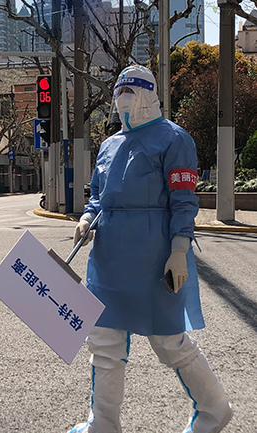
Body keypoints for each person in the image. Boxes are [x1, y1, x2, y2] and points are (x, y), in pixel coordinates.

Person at [68, 65, 232, 433]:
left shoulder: (174, 139)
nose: (124, 96)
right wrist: (86, 218)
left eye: (132, 89)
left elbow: (184, 200)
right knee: (104, 341)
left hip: (155, 255)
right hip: (108, 259)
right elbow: (98, 195)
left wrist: (178, 249)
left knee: (169, 340)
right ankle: (104, 423)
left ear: (150, 94)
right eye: (119, 90)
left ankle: (215, 409)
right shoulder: (109, 146)